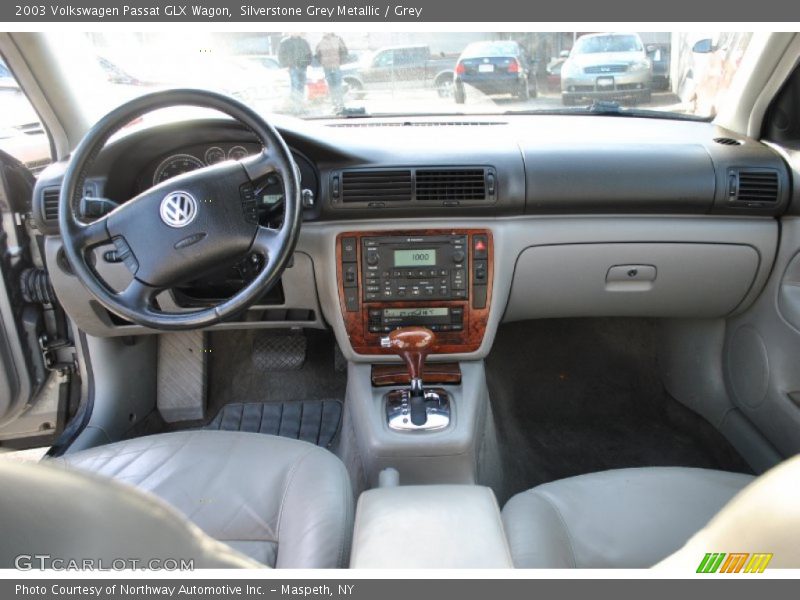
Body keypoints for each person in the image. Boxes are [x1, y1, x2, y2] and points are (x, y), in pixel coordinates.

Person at [315, 33, 348, 112]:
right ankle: (334, 105)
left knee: (338, 85)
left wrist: (340, 61)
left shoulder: (338, 39)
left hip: (336, 66)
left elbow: (344, 51)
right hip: (326, 67)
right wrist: (322, 62)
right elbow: (317, 54)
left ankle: (341, 105)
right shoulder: (321, 41)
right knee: (331, 86)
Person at [278, 33, 312, 108]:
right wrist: (285, 65)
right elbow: (281, 54)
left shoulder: (304, 42)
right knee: (294, 86)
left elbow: (309, 53)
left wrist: (307, 63)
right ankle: (294, 107)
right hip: (292, 68)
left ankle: (300, 106)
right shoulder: (285, 42)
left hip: (303, 67)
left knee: (301, 87)